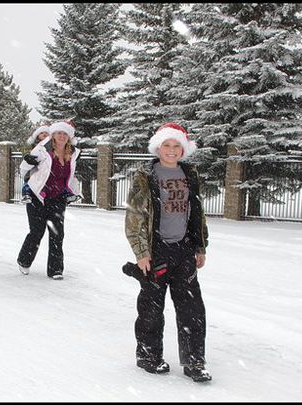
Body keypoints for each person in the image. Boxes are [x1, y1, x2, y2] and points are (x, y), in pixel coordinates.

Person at [124, 122, 211, 382]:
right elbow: (134, 216)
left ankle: (194, 361)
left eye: (176, 146)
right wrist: (141, 252)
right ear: (158, 147)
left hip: (184, 250)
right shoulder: (146, 176)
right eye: (167, 145)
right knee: (152, 307)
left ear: (183, 150)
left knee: (192, 309)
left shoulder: (190, 174)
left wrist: (200, 245)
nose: (172, 150)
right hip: (156, 250)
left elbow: (197, 213)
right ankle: (149, 356)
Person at [16, 120, 81, 279]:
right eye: (59, 133)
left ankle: (55, 270)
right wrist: (28, 161)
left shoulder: (72, 153)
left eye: (65, 133)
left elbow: (70, 176)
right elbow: (24, 168)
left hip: (57, 198)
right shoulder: (43, 149)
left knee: (57, 233)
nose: (62, 136)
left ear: (69, 137)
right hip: (37, 196)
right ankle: (24, 260)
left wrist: (75, 192)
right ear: (53, 135)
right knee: (37, 231)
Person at [20, 124, 51, 204]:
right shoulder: (33, 145)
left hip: (46, 169)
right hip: (33, 168)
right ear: (37, 136)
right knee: (28, 182)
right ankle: (26, 195)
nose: (44, 134)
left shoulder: (50, 145)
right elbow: (25, 150)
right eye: (42, 133)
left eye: (46, 133)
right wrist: (27, 156)